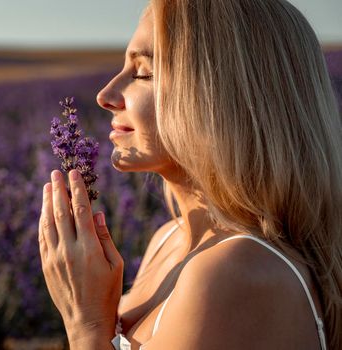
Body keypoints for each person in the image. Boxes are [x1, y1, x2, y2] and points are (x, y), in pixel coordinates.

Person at [37, 0, 342, 349]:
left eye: (143, 73)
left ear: (219, 96)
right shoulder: (168, 240)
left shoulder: (234, 273)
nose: (105, 95)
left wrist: (86, 323)